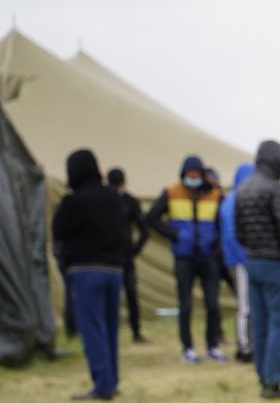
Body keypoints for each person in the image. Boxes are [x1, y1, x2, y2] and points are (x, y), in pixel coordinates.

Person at [231, 140, 280, 399]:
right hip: (278, 264)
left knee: (261, 322)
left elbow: (238, 232)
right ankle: (273, 382)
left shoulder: (244, 188)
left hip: (252, 262)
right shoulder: (274, 189)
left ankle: (263, 376)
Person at [52, 149, 131, 401]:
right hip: (114, 270)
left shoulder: (73, 201)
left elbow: (58, 230)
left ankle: (103, 386)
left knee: (92, 329)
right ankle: (112, 379)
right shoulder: (114, 198)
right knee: (109, 328)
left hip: (85, 270)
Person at [145, 154, 226, 363]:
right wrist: (174, 234)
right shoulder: (172, 192)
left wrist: (216, 244)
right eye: (190, 174)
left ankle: (213, 345)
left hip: (208, 256)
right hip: (184, 256)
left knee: (212, 303)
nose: (193, 177)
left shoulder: (214, 194)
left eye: (197, 173)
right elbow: (151, 217)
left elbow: (223, 223)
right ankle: (188, 348)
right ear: (183, 174)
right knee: (185, 303)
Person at [106, 168, 149, 342]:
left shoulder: (113, 201)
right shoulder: (128, 201)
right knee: (127, 295)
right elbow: (144, 230)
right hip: (119, 255)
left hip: (114, 256)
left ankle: (130, 330)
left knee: (122, 295)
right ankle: (135, 331)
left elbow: (144, 229)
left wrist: (134, 250)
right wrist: (135, 249)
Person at [219, 163, 255, 360]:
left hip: (244, 258)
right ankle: (244, 346)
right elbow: (232, 236)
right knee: (245, 304)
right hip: (241, 260)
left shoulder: (232, 200)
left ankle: (249, 343)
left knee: (249, 304)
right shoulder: (234, 201)